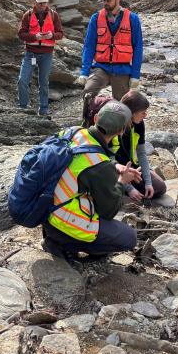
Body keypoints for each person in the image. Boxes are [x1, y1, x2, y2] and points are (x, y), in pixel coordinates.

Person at [42, 101, 141, 261]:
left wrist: (114, 167)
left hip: (42, 209)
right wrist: (122, 182)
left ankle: (58, 237)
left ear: (95, 118)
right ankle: (62, 244)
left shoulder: (72, 132)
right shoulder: (99, 164)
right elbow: (108, 212)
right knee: (129, 237)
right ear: (121, 131)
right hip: (60, 221)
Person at [77, 0, 143, 109]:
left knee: (122, 105)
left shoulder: (132, 19)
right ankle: (87, 122)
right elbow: (89, 46)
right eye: (104, 0)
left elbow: (138, 48)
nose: (105, 3)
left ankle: (121, 127)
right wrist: (84, 72)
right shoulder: (96, 18)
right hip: (102, 67)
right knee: (88, 93)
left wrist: (135, 76)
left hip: (122, 69)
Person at [17, 0, 64, 116]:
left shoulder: (54, 15)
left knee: (43, 82)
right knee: (23, 80)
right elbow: (21, 34)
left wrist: (52, 35)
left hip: (46, 55)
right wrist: (34, 37)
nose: (43, 5)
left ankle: (43, 109)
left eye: (45, 3)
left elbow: (60, 34)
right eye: (40, 3)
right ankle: (23, 107)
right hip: (31, 54)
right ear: (35, 2)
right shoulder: (27, 15)